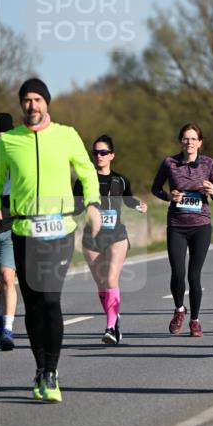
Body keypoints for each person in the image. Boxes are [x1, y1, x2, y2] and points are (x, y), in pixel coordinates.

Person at [0, 79, 101, 401]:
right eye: (27, 100)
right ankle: (40, 367)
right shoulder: (9, 141)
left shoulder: (67, 135)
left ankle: (52, 372)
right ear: (21, 104)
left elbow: (87, 171)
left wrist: (93, 204)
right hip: (24, 231)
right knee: (34, 304)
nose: (32, 105)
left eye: (38, 99)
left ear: (47, 103)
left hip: (59, 230)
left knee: (51, 299)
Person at [73, 135, 147, 344]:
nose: (99, 156)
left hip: (116, 235)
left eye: (103, 152)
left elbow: (128, 199)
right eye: (95, 152)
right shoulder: (83, 181)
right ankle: (115, 318)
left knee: (111, 277)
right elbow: (76, 206)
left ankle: (110, 327)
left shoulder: (120, 180)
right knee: (101, 284)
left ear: (112, 155)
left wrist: (139, 205)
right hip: (92, 237)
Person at [151, 123, 213, 337]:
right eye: (185, 138)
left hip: (201, 226)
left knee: (194, 275)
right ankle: (179, 309)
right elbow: (155, 189)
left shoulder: (209, 164)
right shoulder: (170, 163)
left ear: (200, 142)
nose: (189, 142)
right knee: (178, 273)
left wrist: (212, 190)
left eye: (193, 139)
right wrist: (169, 196)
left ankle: (195, 320)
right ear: (180, 141)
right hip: (177, 225)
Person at [0, 113, 18, 350]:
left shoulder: (18, 161)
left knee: (7, 276)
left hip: (11, 228)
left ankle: (8, 329)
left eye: (2, 137)